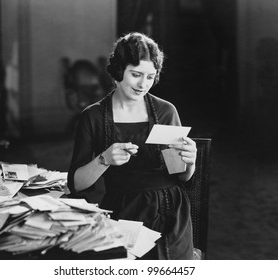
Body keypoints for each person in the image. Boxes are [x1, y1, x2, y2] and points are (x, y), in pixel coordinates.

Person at [67, 32, 197, 260]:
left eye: (150, 77)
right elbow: (77, 185)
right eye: (136, 75)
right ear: (118, 72)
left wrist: (190, 161)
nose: (143, 85)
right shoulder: (94, 117)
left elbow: (182, 177)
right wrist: (103, 159)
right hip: (122, 214)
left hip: (171, 215)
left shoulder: (167, 111)